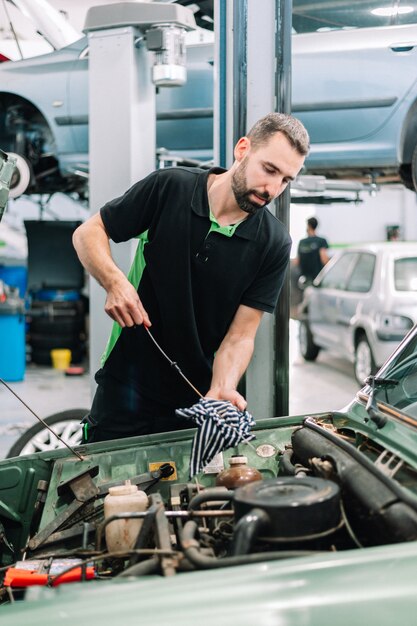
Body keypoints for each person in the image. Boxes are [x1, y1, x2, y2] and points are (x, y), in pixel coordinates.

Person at [72, 112, 309, 443]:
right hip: (126, 384)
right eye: (269, 169)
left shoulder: (274, 242)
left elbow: (241, 336)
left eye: (286, 180)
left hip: (197, 400)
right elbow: (88, 233)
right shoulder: (170, 188)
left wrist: (222, 387)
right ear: (243, 149)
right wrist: (115, 282)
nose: (273, 188)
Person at [295, 217, 329, 284]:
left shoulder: (302, 242)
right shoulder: (321, 241)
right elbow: (324, 259)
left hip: (304, 279)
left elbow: (297, 261)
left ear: (309, 226)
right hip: (317, 278)